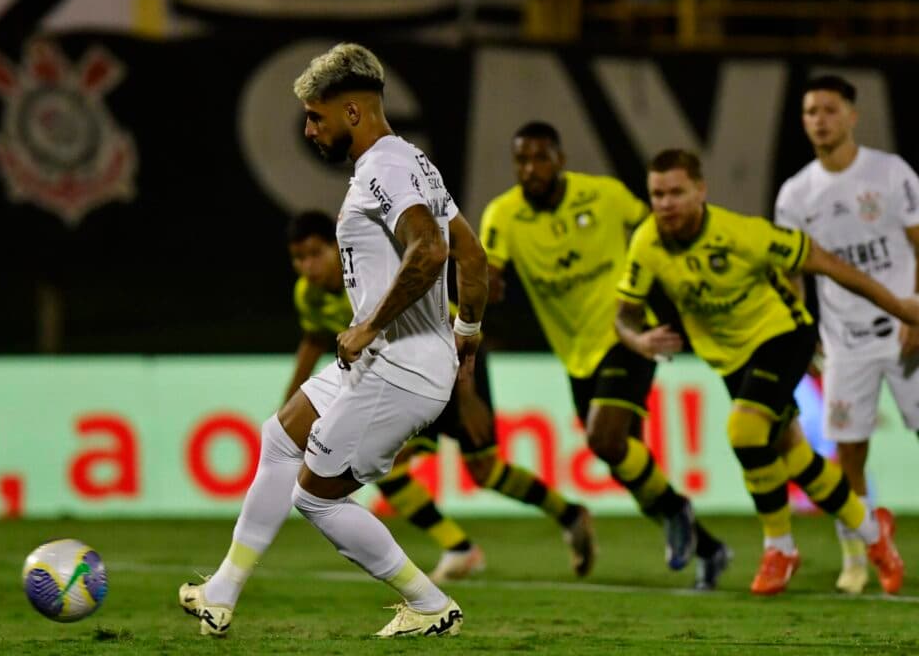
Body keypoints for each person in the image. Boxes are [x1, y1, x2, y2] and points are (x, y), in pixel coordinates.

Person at [179, 42, 488, 638]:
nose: (308, 128)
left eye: (316, 116)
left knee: (316, 499)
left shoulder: (385, 167)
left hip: (398, 365)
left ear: (353, 113)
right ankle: (221, 592)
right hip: (391, 359)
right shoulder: (414, 161)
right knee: (278, 438)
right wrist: (467, 331)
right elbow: (471, 252)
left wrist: (371, 324)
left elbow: (433, 249)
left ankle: (428, 603)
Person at [615, 148, 911, 596]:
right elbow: (625, 315)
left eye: (676, 192)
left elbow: (830, 265)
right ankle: (873, 531)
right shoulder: (647, 243)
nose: (665, 203)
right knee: (792, 455)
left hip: (783, 335)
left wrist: (900, 307)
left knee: (744, 433)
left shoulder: (743, 234)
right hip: (731, 358)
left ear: (701, 191)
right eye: (657, 194)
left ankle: (781, 547)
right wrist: (638, 341)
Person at [479, 122, 730, 590]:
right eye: (521, 160)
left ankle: (678, 511)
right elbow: (488, 272)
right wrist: (486, 286)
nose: (530, 169)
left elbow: (657, 229)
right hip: (576, 355)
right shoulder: (503, 215)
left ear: (560, 159)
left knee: (606, 440)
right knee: (626, 463)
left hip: (629, 333)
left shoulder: (605, 196)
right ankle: (711, 548)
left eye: (539, 158)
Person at [284, 209, 593, 583]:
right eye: (300, 258)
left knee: (485, 471)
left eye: (317, 253)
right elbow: (314, 339)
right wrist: (289, 409)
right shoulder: (309, 296)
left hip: (454, 366)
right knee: (389, 466)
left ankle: (569, 516)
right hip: (408, 381)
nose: (309, 267)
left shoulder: (371, 276)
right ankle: (462, 548)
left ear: (338, 247)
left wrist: (467, 399)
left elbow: (451, 330)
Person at [775, 74, 919, 594]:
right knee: (849, 454)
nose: (819, 119)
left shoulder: (888, 172)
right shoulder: (796, 194)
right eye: (811, 111)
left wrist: (915, 313)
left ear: (852, 115)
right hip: (844, 344)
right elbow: (791, 274)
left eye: (830, 109)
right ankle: (857, 558)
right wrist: (801, 331)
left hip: (907, 332)